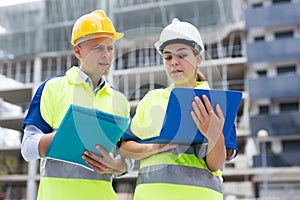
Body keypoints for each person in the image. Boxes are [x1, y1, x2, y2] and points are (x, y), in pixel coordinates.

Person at [21, 10, 133, 200]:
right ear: (78, 51)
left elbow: (127, 159)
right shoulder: (52, 88)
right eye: (98, 48)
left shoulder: (120, 101)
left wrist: (114, 165)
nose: (106, 55)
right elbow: (28, 148)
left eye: (110, 48)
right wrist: (68, 134)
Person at [120, 18, 238, 200]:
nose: (174, 62)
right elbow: (126, 149)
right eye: (168, 57)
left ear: (198, 58)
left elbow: (215, 164)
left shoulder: (218, 103)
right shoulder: (151, 99)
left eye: (182, 55)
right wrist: (155, 147)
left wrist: (215, 135)